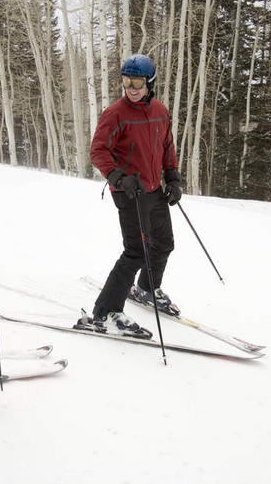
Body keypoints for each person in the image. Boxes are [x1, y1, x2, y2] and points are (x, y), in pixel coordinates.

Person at [88, 54, 183, 337]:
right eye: (127, 81)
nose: (131, 87)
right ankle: (105, 312)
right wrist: (118, 177)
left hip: (154, 190)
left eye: (138, 82)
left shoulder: (160, 111)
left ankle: (146, 288)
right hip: (129, 192)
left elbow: (167, 147)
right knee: (135, 252)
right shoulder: (115, 113)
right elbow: (98, 150)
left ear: (149, 82)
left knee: (164, 244)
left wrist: (173, 178)